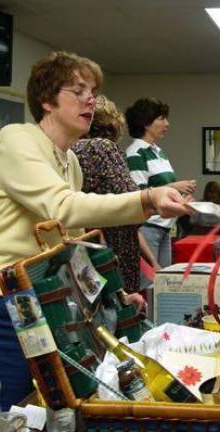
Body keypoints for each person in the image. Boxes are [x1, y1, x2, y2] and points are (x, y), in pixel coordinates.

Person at [0, 51, 189, 410]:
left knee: (40, 409)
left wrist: (111, 295)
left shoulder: (70, 160)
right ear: (46, 99)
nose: (90, 99)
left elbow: (68, 245)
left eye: (92, 91)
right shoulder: (16, 139)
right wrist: (149, 198)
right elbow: (63, 207)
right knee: (1, 414)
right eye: (78, 90)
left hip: (33, 304)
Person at [73, 95, 161, 297]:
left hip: (86, 248)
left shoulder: (72, 149)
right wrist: (157, 198)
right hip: (115, 248)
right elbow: (130, 199)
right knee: (123, 310)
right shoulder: (102, 148)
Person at [126, 97, 196, 268]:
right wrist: (174, 186)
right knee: (151, 284)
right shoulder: (136, 153)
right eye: (161, 118)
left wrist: (181, 195)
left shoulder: (158, 152)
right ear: (146, 123)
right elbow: (139, 194)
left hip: (165, 227)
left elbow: (159, 189)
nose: (167, 123)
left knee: (162, 283)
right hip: (148, 228)